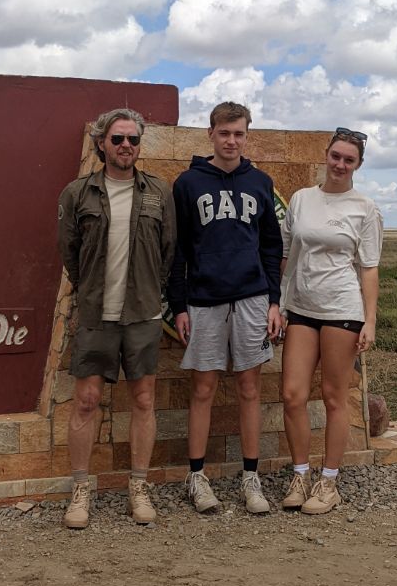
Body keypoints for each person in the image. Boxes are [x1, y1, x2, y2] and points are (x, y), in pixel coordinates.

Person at [57, 108, 175, 529]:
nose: (126, 146)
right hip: (95, 315)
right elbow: (69, 253)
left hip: (142, 314)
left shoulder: (159, 193)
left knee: (143, 400)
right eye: (118, 139)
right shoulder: (77, 194)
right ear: (102, 143)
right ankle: (80, 489)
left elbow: (168, 253)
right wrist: (91, 289)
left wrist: (147, 292)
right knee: (86, 402)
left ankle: (138, 487)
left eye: (133, 140)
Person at [168, 101, 284, 514]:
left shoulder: (260, 182)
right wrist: (178, 305)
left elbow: (272, 246)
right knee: (203, 388)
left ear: (247, 136)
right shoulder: (187, 184)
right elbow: (177, 250)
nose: (231, 140)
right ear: (211, 134)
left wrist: (273, 300)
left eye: (239, 133)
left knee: (250, 388)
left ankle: (250, 478)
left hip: (252, 299)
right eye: (224, 132)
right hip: (204, 299)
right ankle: (196, 477)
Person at [279, 127, 383, 514]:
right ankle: (300, 474)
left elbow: (369, 268)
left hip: (342, 311)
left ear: (358, 164)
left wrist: (369, 320)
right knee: (293, 395)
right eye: (336, 156)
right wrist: (279, 302)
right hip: (302, 309)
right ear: (326, 155)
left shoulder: (365, 208)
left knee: (335, 397)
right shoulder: (302, 199)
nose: (340, 164)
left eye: (349, 160)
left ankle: (329, 482)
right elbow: (287, 256)